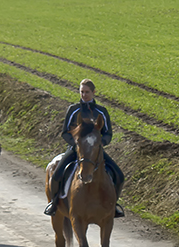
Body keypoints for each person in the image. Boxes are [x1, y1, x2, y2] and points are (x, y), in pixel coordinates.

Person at [45, 79, 125, 218]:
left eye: (87, 92)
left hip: (95, 151)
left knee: (119, 175)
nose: (84, 95)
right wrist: (77, 145)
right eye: (82, 92)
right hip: (76, 149)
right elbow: (65, 132)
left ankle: (113, 206)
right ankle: (54, 203)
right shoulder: (73, 110)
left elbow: (108, 133)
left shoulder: (102, 111)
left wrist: (99, 145)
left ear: (93, 92)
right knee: (57, 174)